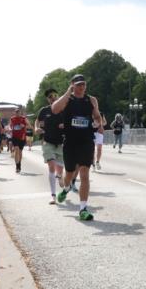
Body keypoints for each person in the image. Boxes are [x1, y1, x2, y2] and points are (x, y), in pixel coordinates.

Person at [52, 75, 101, 221]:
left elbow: (97, 116)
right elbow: (55, 109)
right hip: (70, 142)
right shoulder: (68, 99)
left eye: (83, 84)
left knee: (85, 174)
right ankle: (66, 188)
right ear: (72, 85)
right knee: (69, 173)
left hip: (86, 141)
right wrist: (68, 92)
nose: (82, 87)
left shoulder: (91, 100)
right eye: (78, 84)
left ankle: (83, 209)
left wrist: (97, 122)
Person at [35, 88, 65, 205]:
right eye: (50, 97)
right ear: (47, 99)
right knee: (51, 166)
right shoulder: (44, 110)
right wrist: (36, 128)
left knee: (60, 169)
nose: (53, 98)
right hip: (47, 142)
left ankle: (60, 176)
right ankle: (53, 195)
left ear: (58, 96)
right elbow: (37, 121)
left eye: (54, 95)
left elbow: (71, 121)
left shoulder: (63, 109)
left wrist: (65, 125)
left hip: (61, 143)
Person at [9, 108, 29, 172]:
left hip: (22, 137)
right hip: (14, 137)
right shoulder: (12, 118)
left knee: (20, 152)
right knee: (16, 149)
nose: (17, 113)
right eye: (16, 112)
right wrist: (10, 129)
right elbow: (10, 126)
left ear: (20, 113)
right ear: (15, 113)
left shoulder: (24, 118)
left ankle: (19, 164)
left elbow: (29, 126)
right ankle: (17, 166)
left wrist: (24, 126)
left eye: (18, 112)